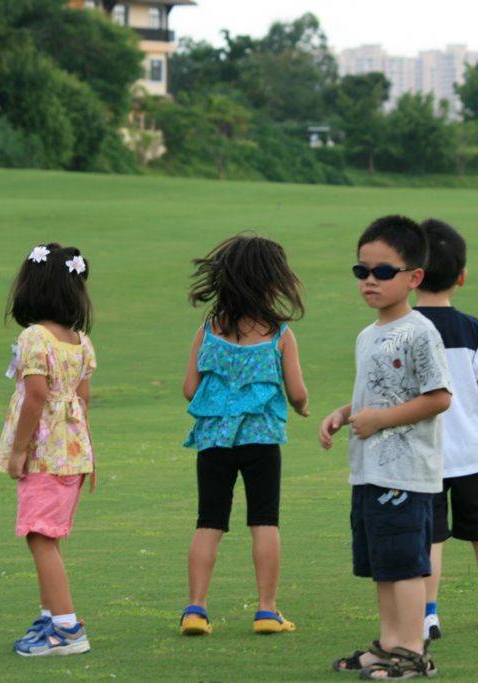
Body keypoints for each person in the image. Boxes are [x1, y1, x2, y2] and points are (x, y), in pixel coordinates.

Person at [321, 215, 451, 679]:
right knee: (383, 565)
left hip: (405, 473)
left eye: (382, 272)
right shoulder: (367, 334)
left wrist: (378, 421)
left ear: (414, 278)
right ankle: (390, 643)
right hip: (370, 469)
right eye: (362, 271)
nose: (369, 281)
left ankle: (413, 651)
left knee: (405, 566)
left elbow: (439, 397)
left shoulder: (420, 332)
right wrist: (344, 413)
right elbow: (378, 395)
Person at [180, 234, 309, 636]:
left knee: (209, 521)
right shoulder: (280, 335)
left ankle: (196, 609)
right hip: (262, 440)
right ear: (273, 284)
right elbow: (297, 392)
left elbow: (189, 389)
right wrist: (302, 406)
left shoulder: (207, 331)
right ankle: (267, 610)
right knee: (264, 520)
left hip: (214, 440)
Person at [414, 219, 478, 640]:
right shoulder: (472, 329)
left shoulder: (405, 329)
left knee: (431, 537)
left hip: (424, 455)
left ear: (412, 274)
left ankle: (427, 614)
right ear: (462, 277)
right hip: (472, 453)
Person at [0, 243, 97, 657]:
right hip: (70, 454)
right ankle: (50, 617)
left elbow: (36, 395)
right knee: (46, 535)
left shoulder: (34, 337)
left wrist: (18, 450)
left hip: (45, 453)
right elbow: (83, 399)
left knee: (40, 537)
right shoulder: (79, 341)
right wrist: (87, 454)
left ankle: (67, 628)